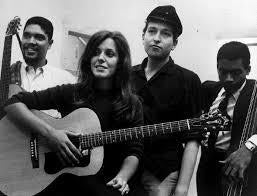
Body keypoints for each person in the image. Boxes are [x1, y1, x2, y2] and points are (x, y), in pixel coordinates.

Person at [4, 30, 146, 196]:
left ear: (120, 62)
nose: (101, 58)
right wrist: (51, 134)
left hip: (105, 179)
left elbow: (134, 150)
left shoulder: (132, 103)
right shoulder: (72, 92)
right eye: (95, 53)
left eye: (109, 54)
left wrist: (123, 177)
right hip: (66, 177)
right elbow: (12, 103)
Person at [131, 5, 202, 196]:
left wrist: (182, 187)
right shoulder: (126, 76)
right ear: (143, 35)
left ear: (175, 42)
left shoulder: (188, 80)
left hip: (161, 173)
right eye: (152, 31)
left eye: (165, 34)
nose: (156, 38)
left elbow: (193, 139)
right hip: (124, 169)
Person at [197, 41, 257, 196]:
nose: (229, 78)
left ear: (248, 70)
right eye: (223, 72)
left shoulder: (255, 92)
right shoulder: (209, 89)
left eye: (236, 73)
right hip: (207, 170)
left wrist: (249, 147)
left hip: (240, 174)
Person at [9, 16, 76, 118]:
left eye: (39, 37)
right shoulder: (10, 74)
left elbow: (75, 119)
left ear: (50, 44)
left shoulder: (66, 79)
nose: (31, 41)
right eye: (26, 36)